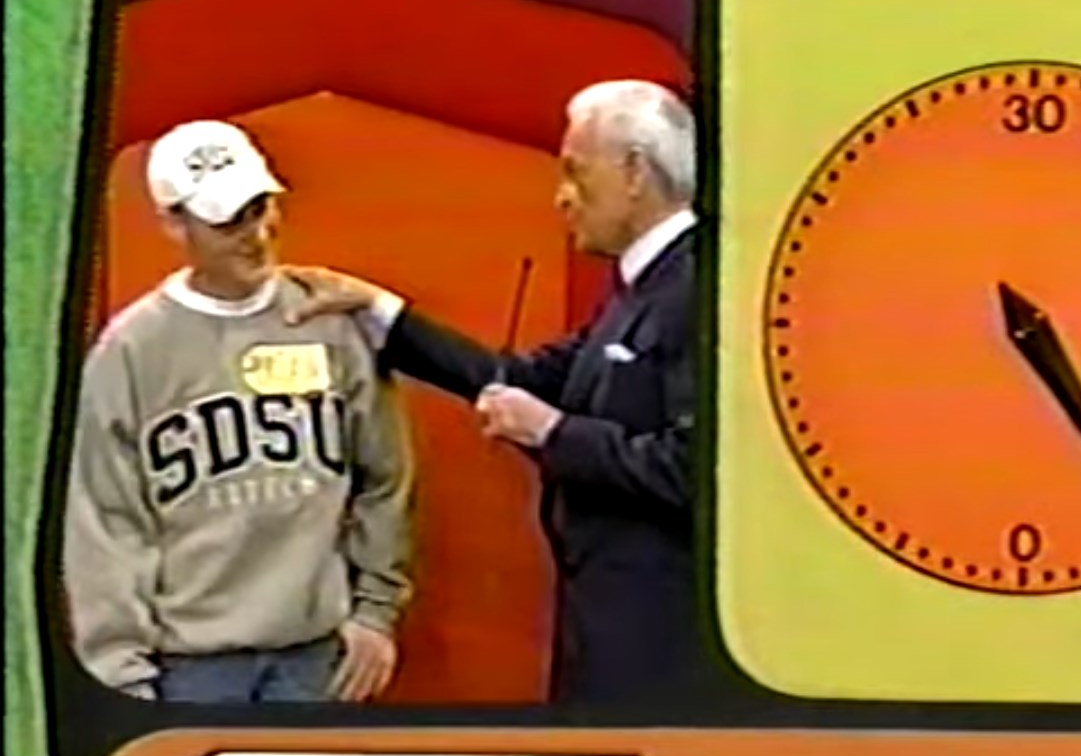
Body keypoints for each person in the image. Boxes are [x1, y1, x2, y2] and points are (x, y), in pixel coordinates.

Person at [285, 79, 700, 705]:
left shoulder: (699, 290)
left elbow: (692, 468)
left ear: (635, 172)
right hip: (598, 628)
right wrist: (377, 311)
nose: (562, 198)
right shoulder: (632, 296)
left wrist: (552, 433)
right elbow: (520, 380)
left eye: (575, 173)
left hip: (657, 647)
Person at [64, 119, 415, 703]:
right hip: (187, 669)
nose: (253, 234)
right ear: (175, 223)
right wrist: (120, 674)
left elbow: (387, 476)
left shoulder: (326, 322)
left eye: (260, 208)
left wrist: (376, 613)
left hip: (314, 655)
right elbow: (106, 521)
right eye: (228, 220)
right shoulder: (132, 351)